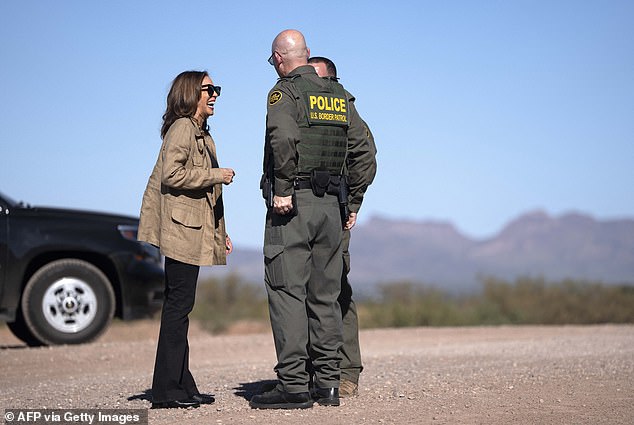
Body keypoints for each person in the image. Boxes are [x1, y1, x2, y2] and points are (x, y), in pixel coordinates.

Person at [250, 29, 372, 410]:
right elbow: (364, 150)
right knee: (326, 296)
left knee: (287, 291)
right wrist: (351, 201)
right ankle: (329, 384)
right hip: (331, 209)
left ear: (280, 57)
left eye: (274, 61)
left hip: (296, 205)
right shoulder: (338, 95)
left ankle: (293, 385)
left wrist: (283, 188)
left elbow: (282, 137)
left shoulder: (284, 92)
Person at [138, 70, 235, 409]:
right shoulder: (182, 128)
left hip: (191, 230)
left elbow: (202, 197)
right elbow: (172, 174)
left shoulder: (201, 134)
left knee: (181, 307)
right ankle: (166, 391)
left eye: (215, 89)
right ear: (191, 93)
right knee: (177, 308)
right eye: (208, 89)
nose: (214, 96)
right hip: (180, 231)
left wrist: (220, 233)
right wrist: (216, 175)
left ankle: (182, 384)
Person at [308, 56, 377, 397]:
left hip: (334, 210)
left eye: (315, 75)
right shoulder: (304, 105)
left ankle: (346, 372)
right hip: (306, 213)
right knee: (307, 291)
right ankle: (314, 373)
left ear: (332, 79)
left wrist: (351, 203)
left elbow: (366, 155)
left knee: (336, 291)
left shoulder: (344, 107)